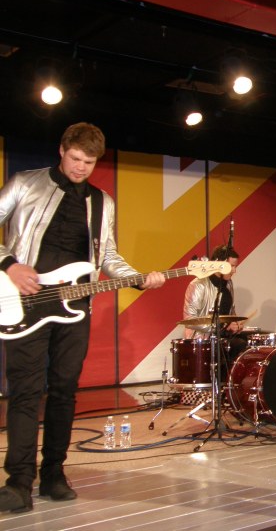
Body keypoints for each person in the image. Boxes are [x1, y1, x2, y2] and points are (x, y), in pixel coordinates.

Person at [0, 122, 166, 514]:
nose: (80, 168)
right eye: (75, 159)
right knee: (25, 392)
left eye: (88, 163)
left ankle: (53, 474)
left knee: (64, 391)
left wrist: (139, 278)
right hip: (24, 301)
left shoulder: (101, 202)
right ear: (62, 150)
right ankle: (18, 482)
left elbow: (107, 255)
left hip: (74, 306)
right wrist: (9, 264)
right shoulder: (25, 183)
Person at [183, 244, 247, 372]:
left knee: (247, 342)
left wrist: (235, 323)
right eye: (232, 266)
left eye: (235, 266)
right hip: (204, 340)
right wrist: (222, 326)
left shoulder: (228, 284)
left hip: (223, 337)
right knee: (239, 345)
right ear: (219, 264)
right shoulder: (198, 285)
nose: (234, 271)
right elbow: (189, 319)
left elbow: (229, 312)